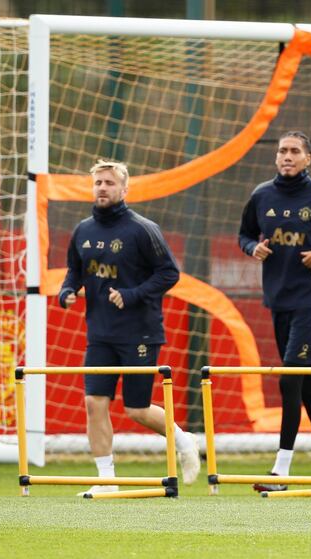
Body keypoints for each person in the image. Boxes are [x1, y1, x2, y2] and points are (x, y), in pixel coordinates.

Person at [59, 159, 200, 496]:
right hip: (100, 333)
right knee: (94, 402)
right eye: (98, 183)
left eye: (109, 183)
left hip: (140, 331)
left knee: (136, 409)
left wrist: (132, 295)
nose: (103, 188)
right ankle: (107, 480)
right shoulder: (82, 231)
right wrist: (67, 291)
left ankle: (184, 441)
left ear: (124, 189)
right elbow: (74, 272)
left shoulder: (142, 229)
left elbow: (169, 273)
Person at [238, 131, 311, 491]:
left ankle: (281, 471)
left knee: (290, 378)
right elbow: (244, 234)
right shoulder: (261, 195)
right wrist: (252, 247)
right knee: (303, 388)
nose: (287, 156)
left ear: (308, 159)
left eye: (294, 151)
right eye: (282, 151)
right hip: (279, 300)